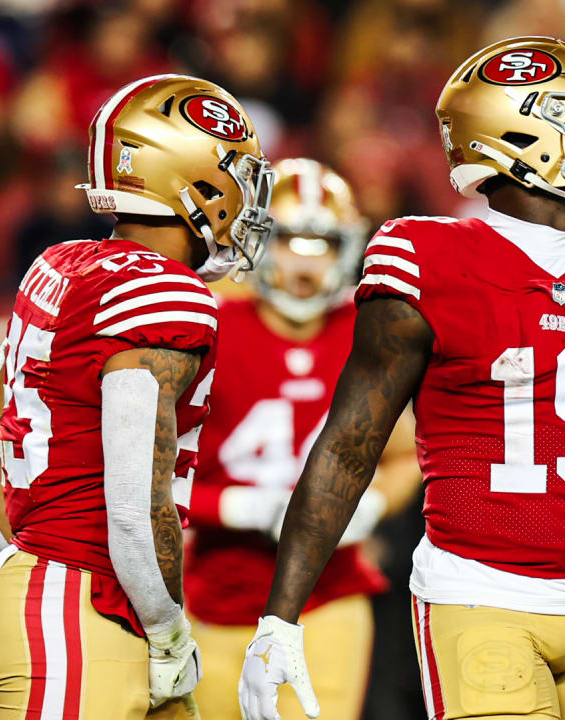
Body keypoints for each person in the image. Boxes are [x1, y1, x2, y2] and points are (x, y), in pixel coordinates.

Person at [238, 36, 565, 720]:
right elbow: (348, 446)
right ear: (521, 138)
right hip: (481, 595)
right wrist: (281, 615)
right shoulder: (430, 256)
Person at [0, 74, 275, 719]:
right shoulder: (167, 295)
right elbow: (137, 505)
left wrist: (34, 565)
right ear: (190, 180)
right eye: (235, 173)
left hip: (47, 587)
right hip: (93, 604)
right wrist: (167, 630)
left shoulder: (60, 264)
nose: (246, 195)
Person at [183, 158, 420, 720]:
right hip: (217, 595)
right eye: (290, 241)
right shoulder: (208, 327)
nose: (305, 263)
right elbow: (146, 473)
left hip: (330, 595)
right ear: (259, 243)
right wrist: (233, 506)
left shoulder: (367, 331)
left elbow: (406, 455)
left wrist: (371, 506)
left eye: (322, 243)